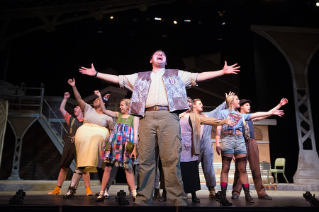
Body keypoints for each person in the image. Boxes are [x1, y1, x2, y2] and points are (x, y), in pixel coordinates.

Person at [79, 50, 240, 206]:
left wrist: (222, 71)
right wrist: (96, 74)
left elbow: (198, 76)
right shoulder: (140, 77)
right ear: (151, 60)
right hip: (146, 117)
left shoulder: (176, 74)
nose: (160, 54)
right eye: (157, 53)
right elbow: (118, 79)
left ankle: (178, 199)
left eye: (163, 53)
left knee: (171, 159)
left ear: (166, 61)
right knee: (146, 160)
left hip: (169, 116)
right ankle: (142, 199)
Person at [215, 94, 284, 205]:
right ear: (233, 102)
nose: (240, 101)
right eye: (237, 99)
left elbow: (258, 114)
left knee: (247, 169)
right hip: (230, 139)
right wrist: (218, 142)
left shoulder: (242, 116)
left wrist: (273, 110)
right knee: (230, 168)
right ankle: (229, 193)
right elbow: (218, 126)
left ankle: (250, 194)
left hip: (242, 140)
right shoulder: (226, 113)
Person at [63, 79, 114, 199]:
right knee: (81, 164)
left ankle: (104, 190)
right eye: (95, 100)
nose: (95, 101)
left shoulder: (107, 117)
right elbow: (79, 98)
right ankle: (71, 189)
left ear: (102, 102)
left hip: (99, 142)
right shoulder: (88, 109)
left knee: (101, 165)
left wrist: (109, 144)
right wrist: (74, 86)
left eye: (98, 100)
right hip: (85, 140)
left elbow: (111, 131)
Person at [180, 97, 235, 203]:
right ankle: (186, 190)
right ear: (194, 105)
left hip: (206, 143)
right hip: (192, 145)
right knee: (190, 169)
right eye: (199, 103)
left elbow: (216, 113)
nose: (202, 105)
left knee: (208, 168)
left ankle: (211, 188)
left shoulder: (206, 115)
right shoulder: (184, 116)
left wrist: (226, 101)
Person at [232, 98, 288, 200]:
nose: (249, 107)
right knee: (240, 168)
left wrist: (279, 105)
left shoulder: (251, 118)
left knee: (256, 168)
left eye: (249, 105)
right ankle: (236, 192)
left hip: (251, 142)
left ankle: (261, 193)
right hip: (240, 142)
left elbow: (266, 114)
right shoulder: (237, 117)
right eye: (247, 105)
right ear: (241, 106)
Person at [94, 90, 139, 201]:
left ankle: (134, 193)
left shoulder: (134, 117)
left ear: (128, 106)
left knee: (127, 168)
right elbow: (104, 110)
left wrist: (135, 149)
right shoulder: (118, 115)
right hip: (114, 144)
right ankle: (102, 192)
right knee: (108, 167)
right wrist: (100, 96)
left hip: (125, 145)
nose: (120, 107)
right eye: (120, 105)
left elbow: (135, 134)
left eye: (122, 105)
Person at [48, 92, 92, 196]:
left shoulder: (87, 121)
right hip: (70, 144)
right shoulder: (71, 118)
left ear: (81, 109)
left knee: (84, 168)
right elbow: (61, 109)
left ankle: (88, 189)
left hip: (81, 146)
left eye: (76, 108)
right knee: (64, 167)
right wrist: (65, 98)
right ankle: (58, 188)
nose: (74, 109)